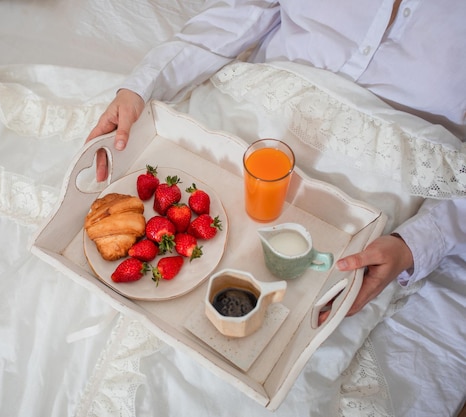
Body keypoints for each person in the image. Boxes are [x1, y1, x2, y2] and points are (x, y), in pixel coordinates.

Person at [85, 0, 465, 321]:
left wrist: (413, 244)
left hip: (375, 184)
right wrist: (140, 88)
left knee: (266, 318)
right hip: (244, 116)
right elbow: (238, 15)